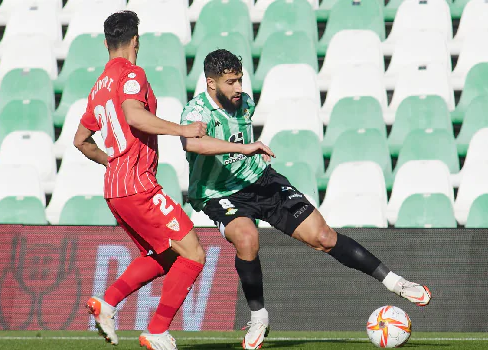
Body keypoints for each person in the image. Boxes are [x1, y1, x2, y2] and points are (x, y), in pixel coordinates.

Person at [179, 49, 432, 350]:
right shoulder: (196, 112)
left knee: (324, 236)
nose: (238, 88)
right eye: (230, 82)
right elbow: (192, 143)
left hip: (261, 180)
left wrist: (248, 156)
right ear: (211, 83)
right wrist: (245, 149)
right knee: (247, 238)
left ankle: (396, 283)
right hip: (218, 193)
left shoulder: (245, 103)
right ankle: (259, 317)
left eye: (240, 80)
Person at [73, 11, 208, 350]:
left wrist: (111, 161)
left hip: (115, 189)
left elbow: (80, 140)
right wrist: (183, 129)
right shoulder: (133, 74)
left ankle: (107, 302)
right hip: (138, 184)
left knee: (165, 256)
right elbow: (134, 115)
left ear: (106, 44)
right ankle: (157, 330)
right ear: (135, 41)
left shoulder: (97, 88)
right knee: (193, 254)